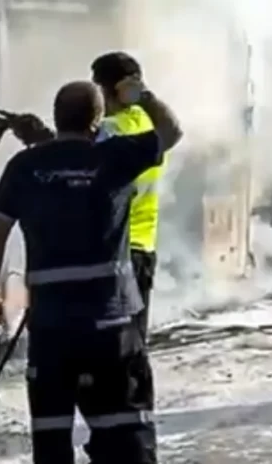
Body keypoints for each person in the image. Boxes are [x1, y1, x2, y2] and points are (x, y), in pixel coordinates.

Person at [0, 77, 182, 464]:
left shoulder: (25, 166)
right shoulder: (117, 157)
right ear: (98, 119)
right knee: (126, 436)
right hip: (112, 328)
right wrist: (141, 95)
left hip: (52, 331)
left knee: (51, 438)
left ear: (56, 118)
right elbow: (171, 131)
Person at [89, 52, 174, 342]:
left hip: (116, 250)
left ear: (106, 90)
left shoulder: (110, 130)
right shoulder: (147, 123)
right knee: (134, 344)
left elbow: (76, 152)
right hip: (144, 248)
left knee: (110, 345)